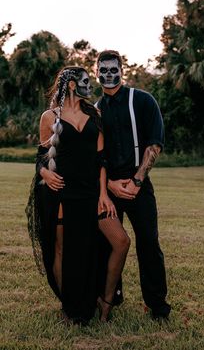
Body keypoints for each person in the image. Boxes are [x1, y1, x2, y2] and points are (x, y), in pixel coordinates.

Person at [26, 66, 130, 325]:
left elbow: (101, 159)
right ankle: (70, 306)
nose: (89, 84)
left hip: (92, 193)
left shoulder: (94, 113)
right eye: (84, 81)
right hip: (60, 192)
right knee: (62, 250)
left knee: (120, 241)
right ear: (71, 85)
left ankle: (105, 301)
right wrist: (45, 174)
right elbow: (41, 157)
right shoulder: (49, 117)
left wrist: (103, 194)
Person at [96, 50, 171, 320]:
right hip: (111, 187)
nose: (107, 74)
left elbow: (155, 142)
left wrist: (138, 181)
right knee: (107, 244)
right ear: (96, 73)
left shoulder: (142, 100)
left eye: (112, 69)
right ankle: (110, 298)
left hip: (140, 185)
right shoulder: (96, 109)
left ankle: (158, 307)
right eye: (102, 70)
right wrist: (111, 186)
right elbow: (97, 156)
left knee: (149, 244)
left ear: (121, 69)